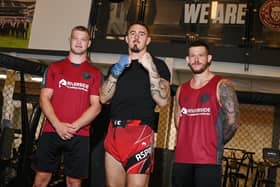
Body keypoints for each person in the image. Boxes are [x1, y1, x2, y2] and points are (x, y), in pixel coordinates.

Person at [99, 22, 171, 187]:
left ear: (148, 40)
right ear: (126, 39)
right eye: (132, 33)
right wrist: (115, 72)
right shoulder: (116, 67)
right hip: (115, 130)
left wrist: (150, 67)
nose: (136, 37)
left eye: (141, 34)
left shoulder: (159, 65)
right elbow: (103, 99)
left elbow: (163, 100)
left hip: (140, 131)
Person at [32, 25, 102, 187]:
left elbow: (96, 106)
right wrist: (58, 125)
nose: (78, 42)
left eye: (83, 39)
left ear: (89, 43)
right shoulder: (54, 68)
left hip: (80, 134)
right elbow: (44, 98)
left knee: (74, 182)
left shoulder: (95, 73)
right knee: (41, 178)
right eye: (75, 38)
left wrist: (73, 127)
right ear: (69, 40)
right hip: (52, 130)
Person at [172, 40, 239, 187]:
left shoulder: (222, 85)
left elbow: (233, 123)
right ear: (187, 60)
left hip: (208, 160)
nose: (196, 60)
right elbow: (178, 123)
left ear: (209, 58)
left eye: (201, 55)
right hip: (182, 159)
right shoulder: (181, 89)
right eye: (192, 56)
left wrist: (216, 142)